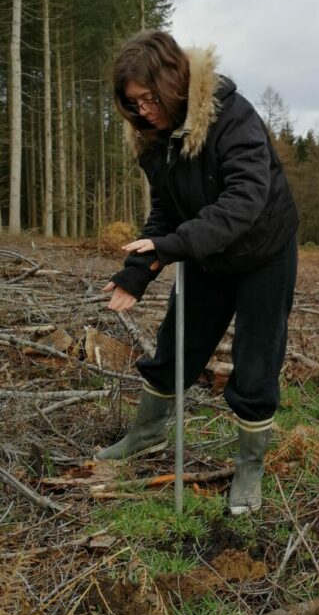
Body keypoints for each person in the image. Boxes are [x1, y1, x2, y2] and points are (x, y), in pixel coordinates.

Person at [96, 30, 299, 517]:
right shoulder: (153, 141)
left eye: (148, 98)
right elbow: (166, 211)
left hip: (264, 251)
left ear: (173, 79)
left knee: (255, 363)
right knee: (174, 348)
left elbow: (244, 200)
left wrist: (174, 247)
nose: (143, 110)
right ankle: (145, 436)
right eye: (133, 103)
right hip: (208, 254)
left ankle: (249, 467)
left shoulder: (233, 116)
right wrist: (138, 270)